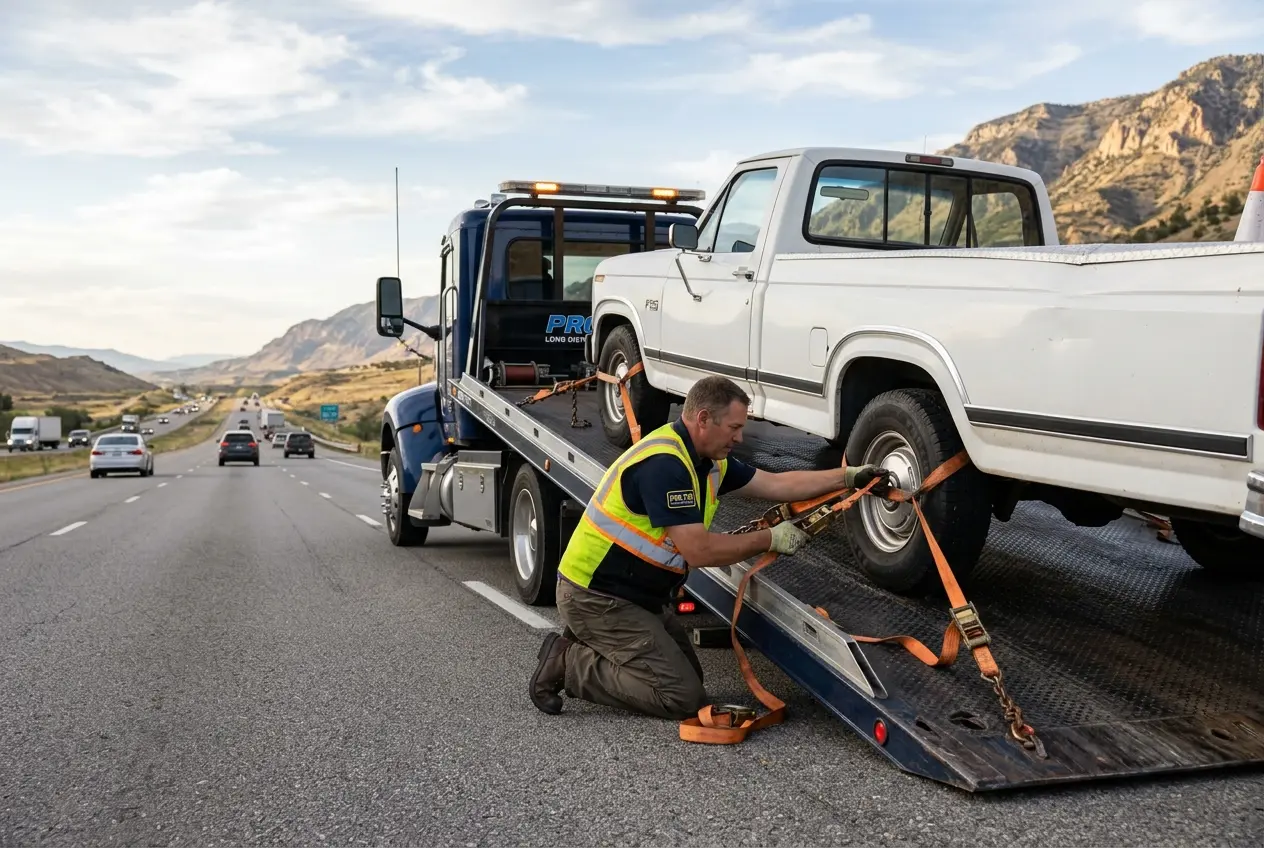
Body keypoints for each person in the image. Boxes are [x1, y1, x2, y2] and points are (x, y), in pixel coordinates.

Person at [529, 374, 892, 719]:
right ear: (703, 419)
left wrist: (846, 477)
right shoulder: (666, 465)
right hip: (597, 596)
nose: (739, 437)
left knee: (688, 677)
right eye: (734, 427)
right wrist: (770, 539)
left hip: (635, 596)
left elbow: (778, 484)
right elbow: (699, 553)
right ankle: (568, 664)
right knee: (681, 697)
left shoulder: (708, 461)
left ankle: (598, 646)